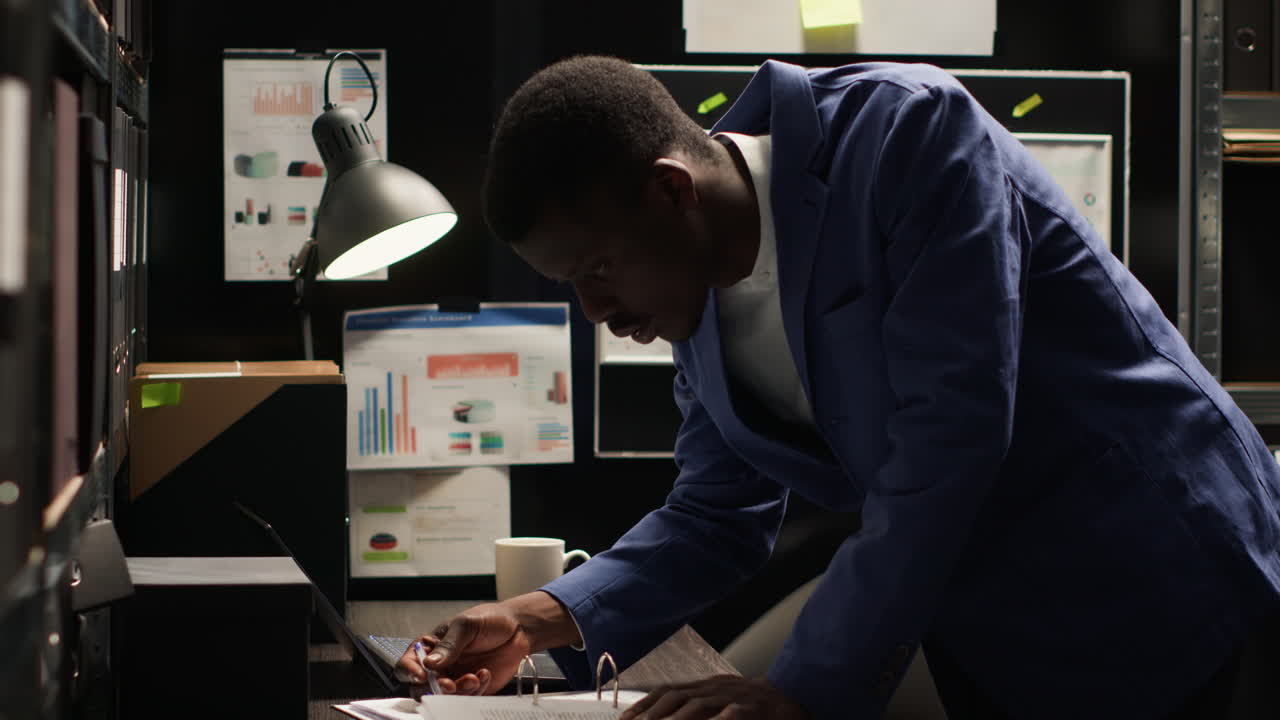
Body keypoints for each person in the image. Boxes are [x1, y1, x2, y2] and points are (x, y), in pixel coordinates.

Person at [396, 55, 1280, 719]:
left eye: (597, 269)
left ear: (671, 194)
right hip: (984, 609)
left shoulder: (911, 139)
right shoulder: (692, 294)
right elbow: (715, 515)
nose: (592, 308)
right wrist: (540, 617)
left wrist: (803, 692)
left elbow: (949, 448)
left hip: (1154, 568)